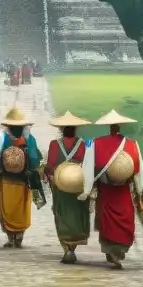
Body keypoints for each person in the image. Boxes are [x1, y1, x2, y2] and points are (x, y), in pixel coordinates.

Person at [79, 109, 143, 269]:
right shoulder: (132, 144)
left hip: (107, 191)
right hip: (123, 192)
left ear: (109, 127)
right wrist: (139, 193)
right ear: (120, 127)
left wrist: (87, 190)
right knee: (125, 220)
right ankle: (119, 252)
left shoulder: (96, 143)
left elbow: (88, 169)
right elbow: (139, 171)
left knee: (107, 222)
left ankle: (111, 251)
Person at [0, 105, 43, 248]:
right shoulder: (30, 139)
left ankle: (10, 237)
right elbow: (35, 160)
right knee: (22, 208)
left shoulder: (2, 137)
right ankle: (19, 235)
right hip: (23, 180)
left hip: (7, 180)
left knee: (7, 208)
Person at [44, 111, 92, 264]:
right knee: (77, 215)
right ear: (76, 129)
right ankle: (73, 247)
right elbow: (88, 166)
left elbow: (50, 167)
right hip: (78, 186)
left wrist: (50, 176)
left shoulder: (54, 144)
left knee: (61, 214)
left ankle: (67, 249)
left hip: (60, 186)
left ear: (61, 129)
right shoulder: (83, 145)